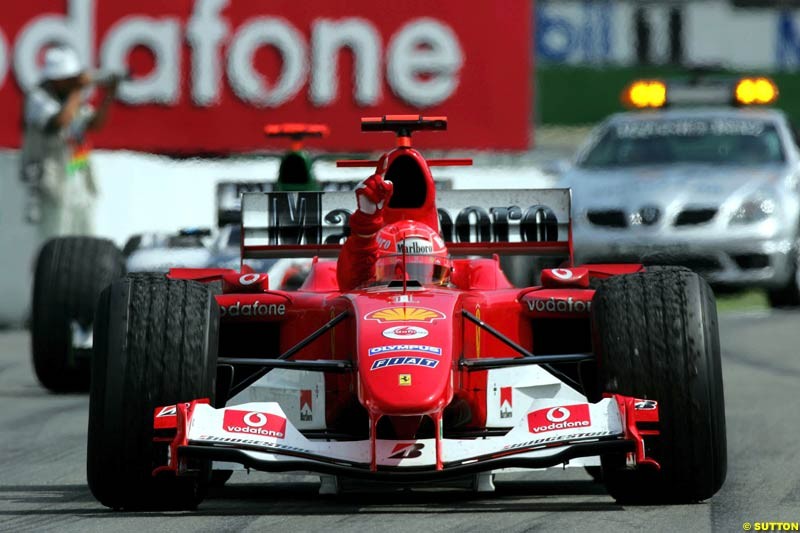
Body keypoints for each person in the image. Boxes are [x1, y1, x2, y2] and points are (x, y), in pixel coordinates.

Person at [20, 46, 120, 239]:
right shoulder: (38, 98)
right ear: (56, 79)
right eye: (69, 78)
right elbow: (60, 121)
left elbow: (94, 124)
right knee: (56, 237)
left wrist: (109, 95)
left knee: (85, 236)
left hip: (77, 172)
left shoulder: (73, 99)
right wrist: (78, 89)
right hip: (52, 180)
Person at [337, 172, 451, 290]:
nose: (409, 286)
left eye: (431, 276)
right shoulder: (366, 283)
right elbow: (356, 276)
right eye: (395, 276)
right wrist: (365, 228)